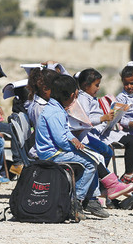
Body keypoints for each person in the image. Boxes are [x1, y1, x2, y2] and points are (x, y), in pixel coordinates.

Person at [35, 73, 109, 219]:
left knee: (91, 156)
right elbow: (61, 141)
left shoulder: (56, 108)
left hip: (57, 150)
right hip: (52, 153)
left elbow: (65, 132)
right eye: (75, 96)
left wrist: (74, 140)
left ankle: (91, 198)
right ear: (68, 96)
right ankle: (77, 201)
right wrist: (75, 147)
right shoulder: (55, 113)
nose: (75, 99)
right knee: (90, 163)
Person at [75, 68, 133, 200]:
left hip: (97, 132)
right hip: (87, 136)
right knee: (106, 152)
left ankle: (105, 185)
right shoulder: (83, 98)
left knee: (107, 151)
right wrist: (102, 118)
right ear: (86, 85)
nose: (98, 88)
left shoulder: (89, 97)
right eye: (96, 85)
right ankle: (105, 185)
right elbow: (84, 119)